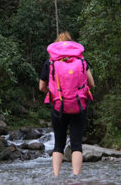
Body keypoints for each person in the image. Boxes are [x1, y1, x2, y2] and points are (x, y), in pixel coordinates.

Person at [39, 31, 95, 176]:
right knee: (77, 144)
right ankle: (76, 175)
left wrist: (54, 92)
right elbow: (92, 84)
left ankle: (56, 176)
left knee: (59, 144)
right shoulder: (82, 60)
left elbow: (41, 87)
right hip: (79, 106)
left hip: (58, 106)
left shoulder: (50, 62)